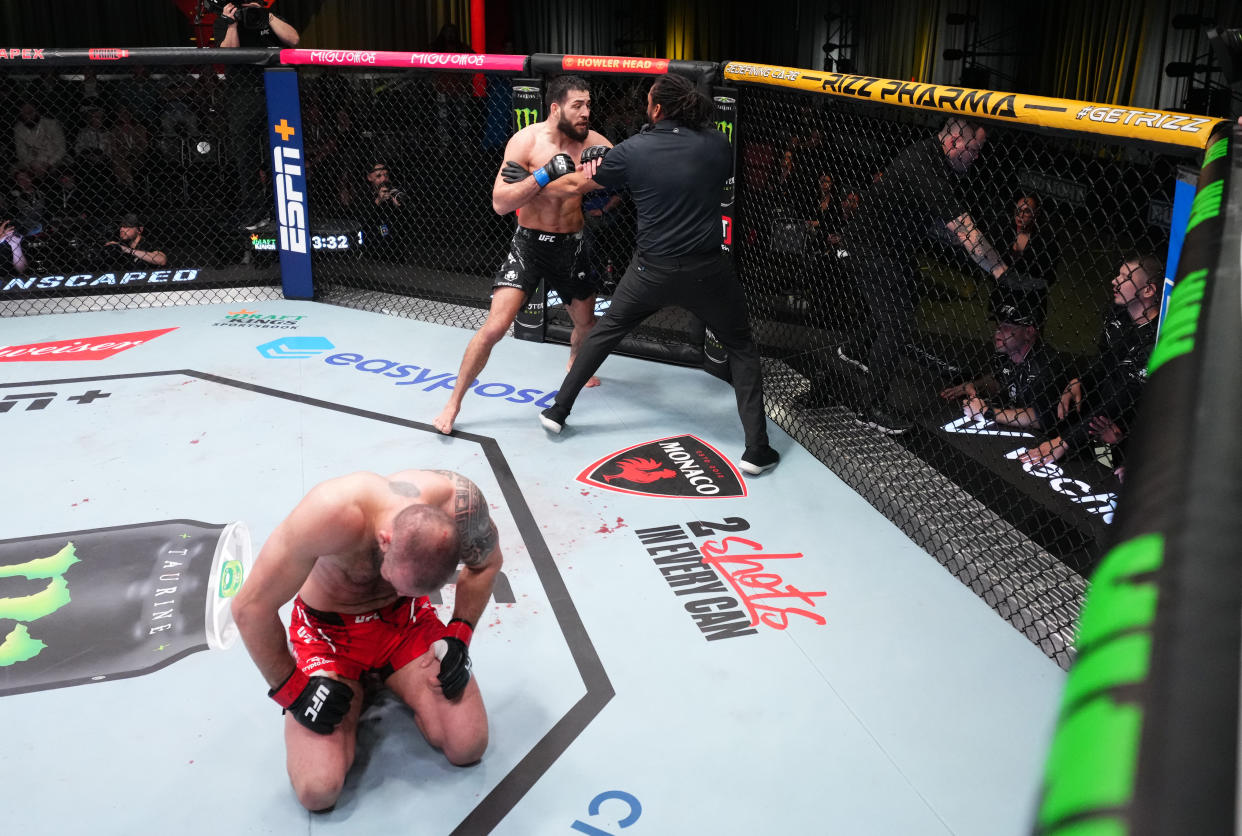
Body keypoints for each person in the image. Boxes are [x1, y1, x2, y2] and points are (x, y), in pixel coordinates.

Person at [538, 74, 781, 477]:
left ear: (655, 109)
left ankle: (558, 410)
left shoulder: (635, 150)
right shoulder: (718, 144)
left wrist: (582, 161)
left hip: (651, 269)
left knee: (607, 331)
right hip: (707, 269)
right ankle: (757, 450)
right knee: (740, 347)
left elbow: (584, 182)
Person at [231, 469, 501, 811]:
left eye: (415, 589)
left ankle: (380, 682)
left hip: (405, 622)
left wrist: (459, 633)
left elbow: (488, 564)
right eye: (400, 582)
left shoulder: (458, 503)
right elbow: (250, 608)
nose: (399, 590)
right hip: (328, 635)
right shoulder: (330, 514)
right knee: (318, 788)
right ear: (385, 540)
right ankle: (356, 686)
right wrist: (295, 692)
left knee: (467, 744)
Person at [433, 75, 613, 435]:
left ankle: (575, 358)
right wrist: (544, 175)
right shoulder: (526, 141)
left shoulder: (594, 143)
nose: (586, 113)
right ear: (555, 107)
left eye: (589, 105)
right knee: (494, 328)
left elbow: (615, 178)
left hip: (573, 244)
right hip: (529, 243)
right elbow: (501, 203)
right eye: (578, 105)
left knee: (585, 325)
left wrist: (575, 182)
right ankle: (452, 403)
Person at [816, 117, 1010, 434]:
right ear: (954, 143)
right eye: (975, 149)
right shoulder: (926, 165)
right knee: (897, 324)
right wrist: (1001, 272)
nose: (977, 156)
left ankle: (855, 349)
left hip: (891, 247)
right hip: (871, 248)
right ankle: (870, 408)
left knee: (905, 298)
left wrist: (967, 242)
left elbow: (940, 224)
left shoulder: (933, 160)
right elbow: (961, 228)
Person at [1019, 255, 1162, 467]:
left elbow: (1123, 397)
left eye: (1125, 277)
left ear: (1148, 290)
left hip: (1135, 427)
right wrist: (1079, 380)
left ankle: (1109, 454)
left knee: (1108, 458)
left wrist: (1063, 442)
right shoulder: (1117, 314)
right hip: (1102, 411)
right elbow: (1103, 361)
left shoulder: (1157, 339)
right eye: (1118, 274)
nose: (1114, 281)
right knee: (1062, 395)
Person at [939, 284, 1061, 431]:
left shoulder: (1045, 364)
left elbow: (1041, 418)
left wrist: (988, 412)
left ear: (1029, 331)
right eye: (998, 325)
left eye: (1006, 326)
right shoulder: (1006, 353)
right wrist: (973, 386)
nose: (998, 331)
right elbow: (999, 381)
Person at [13, 102, 66, 180]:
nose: (28, 115)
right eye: (24, 113)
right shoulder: (18, 129)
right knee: (14, 169)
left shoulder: (52, 124)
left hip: (52, 159)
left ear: (37, 111)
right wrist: (33, 164)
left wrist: (48, 164)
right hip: (32, 162)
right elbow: (21, 152)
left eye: (30, 112)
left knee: (63, 169)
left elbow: (61, 148)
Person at [214, 1, 299, 48]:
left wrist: (265, 14)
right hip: (243, 75)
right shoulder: (223, 22)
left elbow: (294, 40)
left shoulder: (269, 15)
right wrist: (232, 24)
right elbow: (229, 56)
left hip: (274, 71)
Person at [103, 213, 168, 268]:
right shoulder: (119, 246)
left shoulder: (149, 244)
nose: (121, 229)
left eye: (126, 226)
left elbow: (162, 260)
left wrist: (127, 250)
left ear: (139, 230)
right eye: (121, 226)